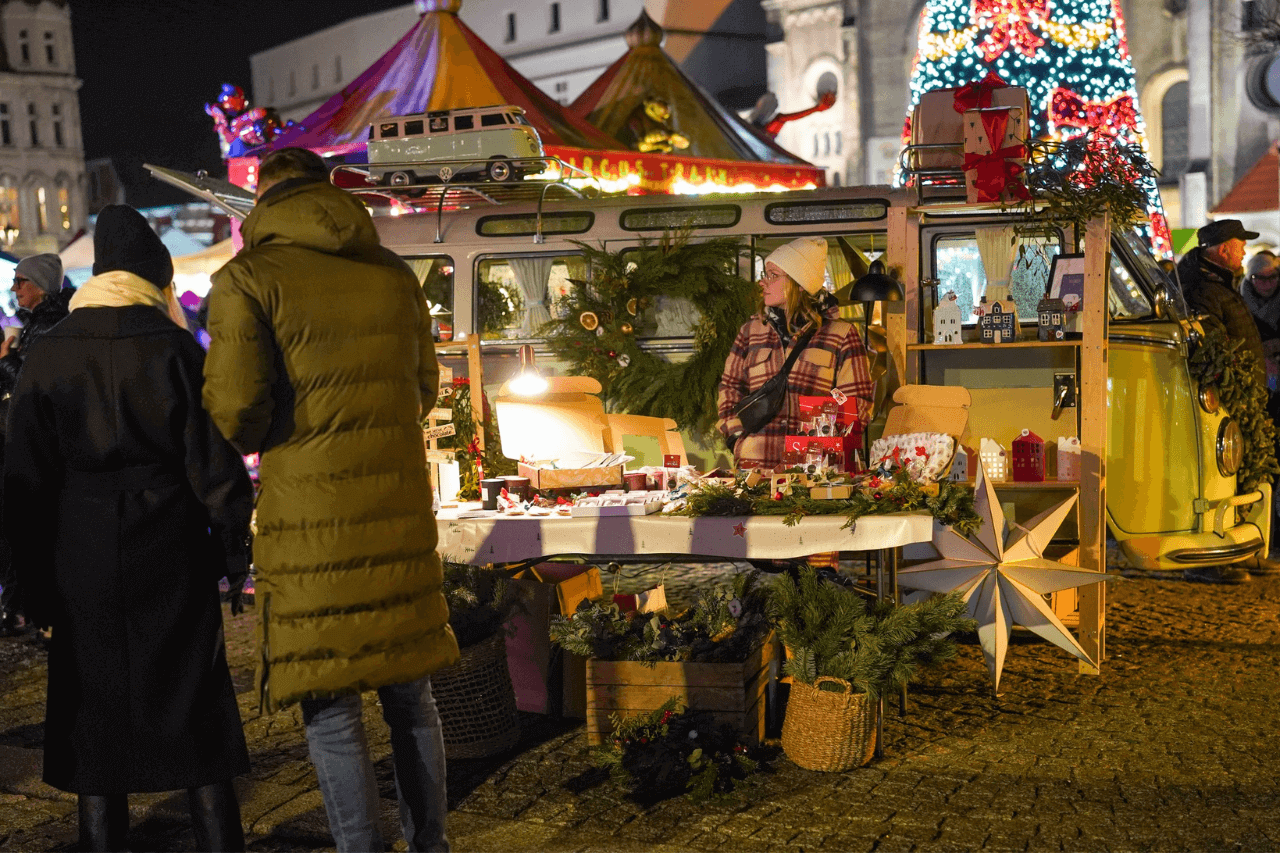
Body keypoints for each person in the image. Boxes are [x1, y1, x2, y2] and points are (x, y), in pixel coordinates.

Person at [202, 147, 459, 853]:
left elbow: (236, 415)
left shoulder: (247, 280)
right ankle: (429, 843)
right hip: (398, 514)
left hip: (310, 526)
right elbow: (421, 390)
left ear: (263, 198)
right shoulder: (392, 274)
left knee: (331, 705)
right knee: (411, 696)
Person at [2, 205, 252, 851]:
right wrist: (232, 551)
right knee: (192, 697)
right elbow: (214, 462)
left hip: (79, 544)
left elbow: (24, 481)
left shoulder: (51, 349)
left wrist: (29, 581)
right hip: (170, 542)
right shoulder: (172, 344)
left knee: (93, 704)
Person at [1177, 219, 1280, 583]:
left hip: (1242, 396)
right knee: (1216, 479)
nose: (1243, 252)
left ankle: (1242, 550)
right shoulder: (1201, 286)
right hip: (1222, 399)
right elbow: (1213, 346)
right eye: (1239, 246)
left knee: (1240, 477)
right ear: (1222, 250)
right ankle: (1209, 559)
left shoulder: (1217, 281)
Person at [717, 235, 875, 470]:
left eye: (773, 275)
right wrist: (735, 438)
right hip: (755, 467)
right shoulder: (750, 332)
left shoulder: (841, 334)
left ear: (799, 284)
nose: (763, 282)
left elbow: (856, 404)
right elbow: (729, 389)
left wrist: (808, 455)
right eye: (765, 274)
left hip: (815, 473)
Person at [0, 253, 70, 638]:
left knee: (31, 523)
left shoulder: (47, 325)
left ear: (39, 285)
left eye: (20, 281)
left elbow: (31, 384)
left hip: (40, 439)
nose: (14, 289)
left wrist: (5, 361)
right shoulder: (38, 322)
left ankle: (37, 612)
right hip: (33, 437)